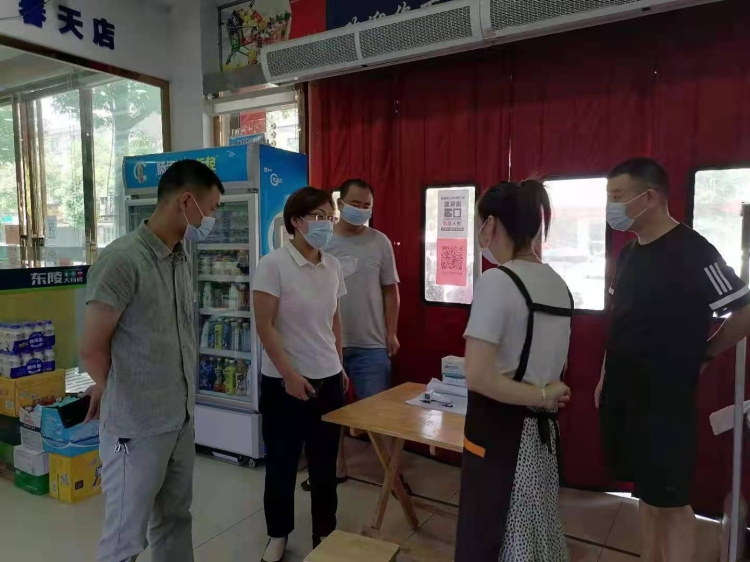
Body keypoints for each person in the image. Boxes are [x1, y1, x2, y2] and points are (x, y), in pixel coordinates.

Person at [596, 157, 750, 562]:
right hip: (622, 393)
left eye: (617, 196)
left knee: (672, 500)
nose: (611, 206)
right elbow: (620, 321)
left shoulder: (694, 250)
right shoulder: (628, 254)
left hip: (666, 400)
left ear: (648, 197)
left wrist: (708, 352)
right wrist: (604, 376)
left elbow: (744, 311)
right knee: (645, 493)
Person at [80, 160, 223, 562]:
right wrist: (114, 388)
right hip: (135, 428)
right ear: (187, 201)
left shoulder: (180, 255)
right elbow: (91, 347)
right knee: (125, 538)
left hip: (179, 420)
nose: (211, 220)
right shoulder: (123, 260)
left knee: (175, 519)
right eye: (211, 209)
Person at [455, 180, 573, 562]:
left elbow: (478, 376)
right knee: (537, 530)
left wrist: (540, 396)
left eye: (479, 223)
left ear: (490, 224)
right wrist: (544, 396)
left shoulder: (497, 281)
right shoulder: (558, 284)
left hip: (501, 433)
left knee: (497, 535)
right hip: (542, 435)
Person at [253, 187, 349, 562]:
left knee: (325, 465)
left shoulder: (333, 265)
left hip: (328, 380)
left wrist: (339, 364)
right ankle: (278, 534)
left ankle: (324, 532)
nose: (326, 224)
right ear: (296, 221)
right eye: (318, 217)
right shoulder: (273, 265)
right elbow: (265, 327)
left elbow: (335, 320)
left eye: (330, 217)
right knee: (281, 464)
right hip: (283, 384)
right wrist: (290, 376)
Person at [300, 179, 399, 490]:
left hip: (371, 344)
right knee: (331, 414)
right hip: (327, 345)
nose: (361, 210)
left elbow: (390, 290)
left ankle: (392, 478)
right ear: (340, 204)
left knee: (378, 413)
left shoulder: (380, 242)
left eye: (367, 205)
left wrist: (392, 332)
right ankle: (335, 468)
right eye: (355, 204)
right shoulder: (323, 240)